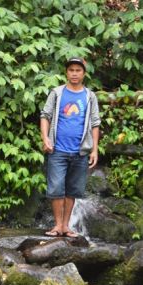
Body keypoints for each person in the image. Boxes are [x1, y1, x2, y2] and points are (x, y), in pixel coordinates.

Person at [40, 57, 101, 237]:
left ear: (84, 73)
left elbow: (95, 123)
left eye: (78, 70)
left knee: (72, 189)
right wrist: (45, 138)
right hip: (57, 149)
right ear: (66, 72)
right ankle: (57, 226)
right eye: (71, 70)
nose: (74, 73)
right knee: (56, 188)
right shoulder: (57, 93)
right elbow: (45, 115)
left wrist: (94, 149)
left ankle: (66, 226)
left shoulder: (89, 96)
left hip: (80, 151)